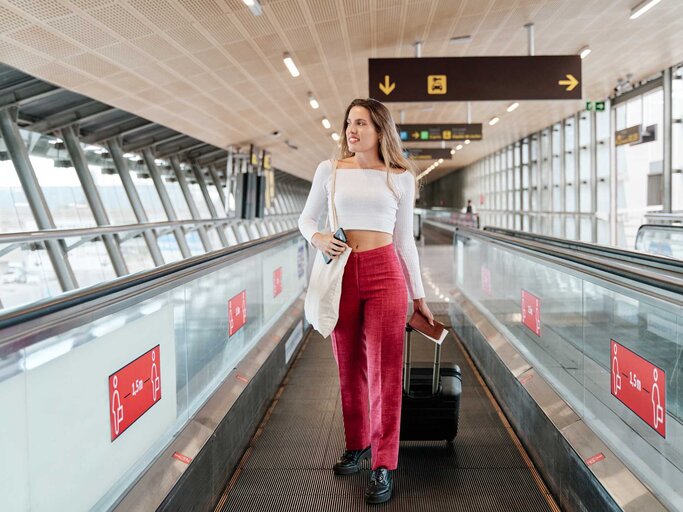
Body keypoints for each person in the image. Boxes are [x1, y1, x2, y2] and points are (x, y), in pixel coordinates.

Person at [298, 98, 434, 504]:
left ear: (380, 130)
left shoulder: (400, 177)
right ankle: (357, 444)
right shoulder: (330, 170)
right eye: (348, 123)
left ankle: (383, 464)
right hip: (343, 272)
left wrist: (419, 295)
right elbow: (306, 219)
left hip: (385, 272)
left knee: (384, 371)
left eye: (360, 123)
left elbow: (406, 241)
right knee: (349, 366)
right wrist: (317, 237)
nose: (351, 130)